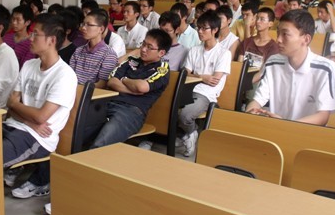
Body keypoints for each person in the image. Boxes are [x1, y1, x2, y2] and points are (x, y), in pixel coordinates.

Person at [4, 14, 78, 198]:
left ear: (51, 40)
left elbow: (41, 117)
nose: (30, 38)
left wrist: (20, 109)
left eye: (35, 34)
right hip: (17, 126)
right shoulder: (29, 65)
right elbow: (10, 104)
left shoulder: (64, 75)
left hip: (38, 138)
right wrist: (28, 120)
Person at [246, 9, 335, 124]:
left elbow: (322, 116)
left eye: (285, 34)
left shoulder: (326, 69)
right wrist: (251, 112)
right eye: (278, 33)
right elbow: (257, 100)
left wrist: (286, 125)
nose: (278, 39)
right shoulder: (273, 62)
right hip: (276, 128)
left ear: (306, 39)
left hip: (306, 132)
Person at [88, 29, 171, 149]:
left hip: (131, 111)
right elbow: (112, 81)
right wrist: (131, 88)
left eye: (149, 47)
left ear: (161, 53)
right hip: (108, 103)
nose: (143, 49)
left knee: (99, 145)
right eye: (143, 44)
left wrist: (123, 79)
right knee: (76, 133)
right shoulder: (132, 61)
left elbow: (141, 87)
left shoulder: (162, 69)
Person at [178, 10, 232, 156]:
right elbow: (185, 73)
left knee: (185, 115)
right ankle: (189, 134)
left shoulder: (224, 53)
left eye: (204, 28)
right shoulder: (194, 50)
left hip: (206, 94)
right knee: (168, 107)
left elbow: (214, 80)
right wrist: (202, 77)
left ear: (215, 30)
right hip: (188, 89)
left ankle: (191, 132)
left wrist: (198, 77)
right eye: (198, 28)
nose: (200, 31)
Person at [70, 8, 118, 88]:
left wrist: (78, 89)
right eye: (83, 24)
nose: (83, 28)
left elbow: (102, 84)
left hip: (92, 93)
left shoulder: (109, 54)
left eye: (89, 25)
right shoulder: (78, 51)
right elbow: (70, 76)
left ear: (101, 29)